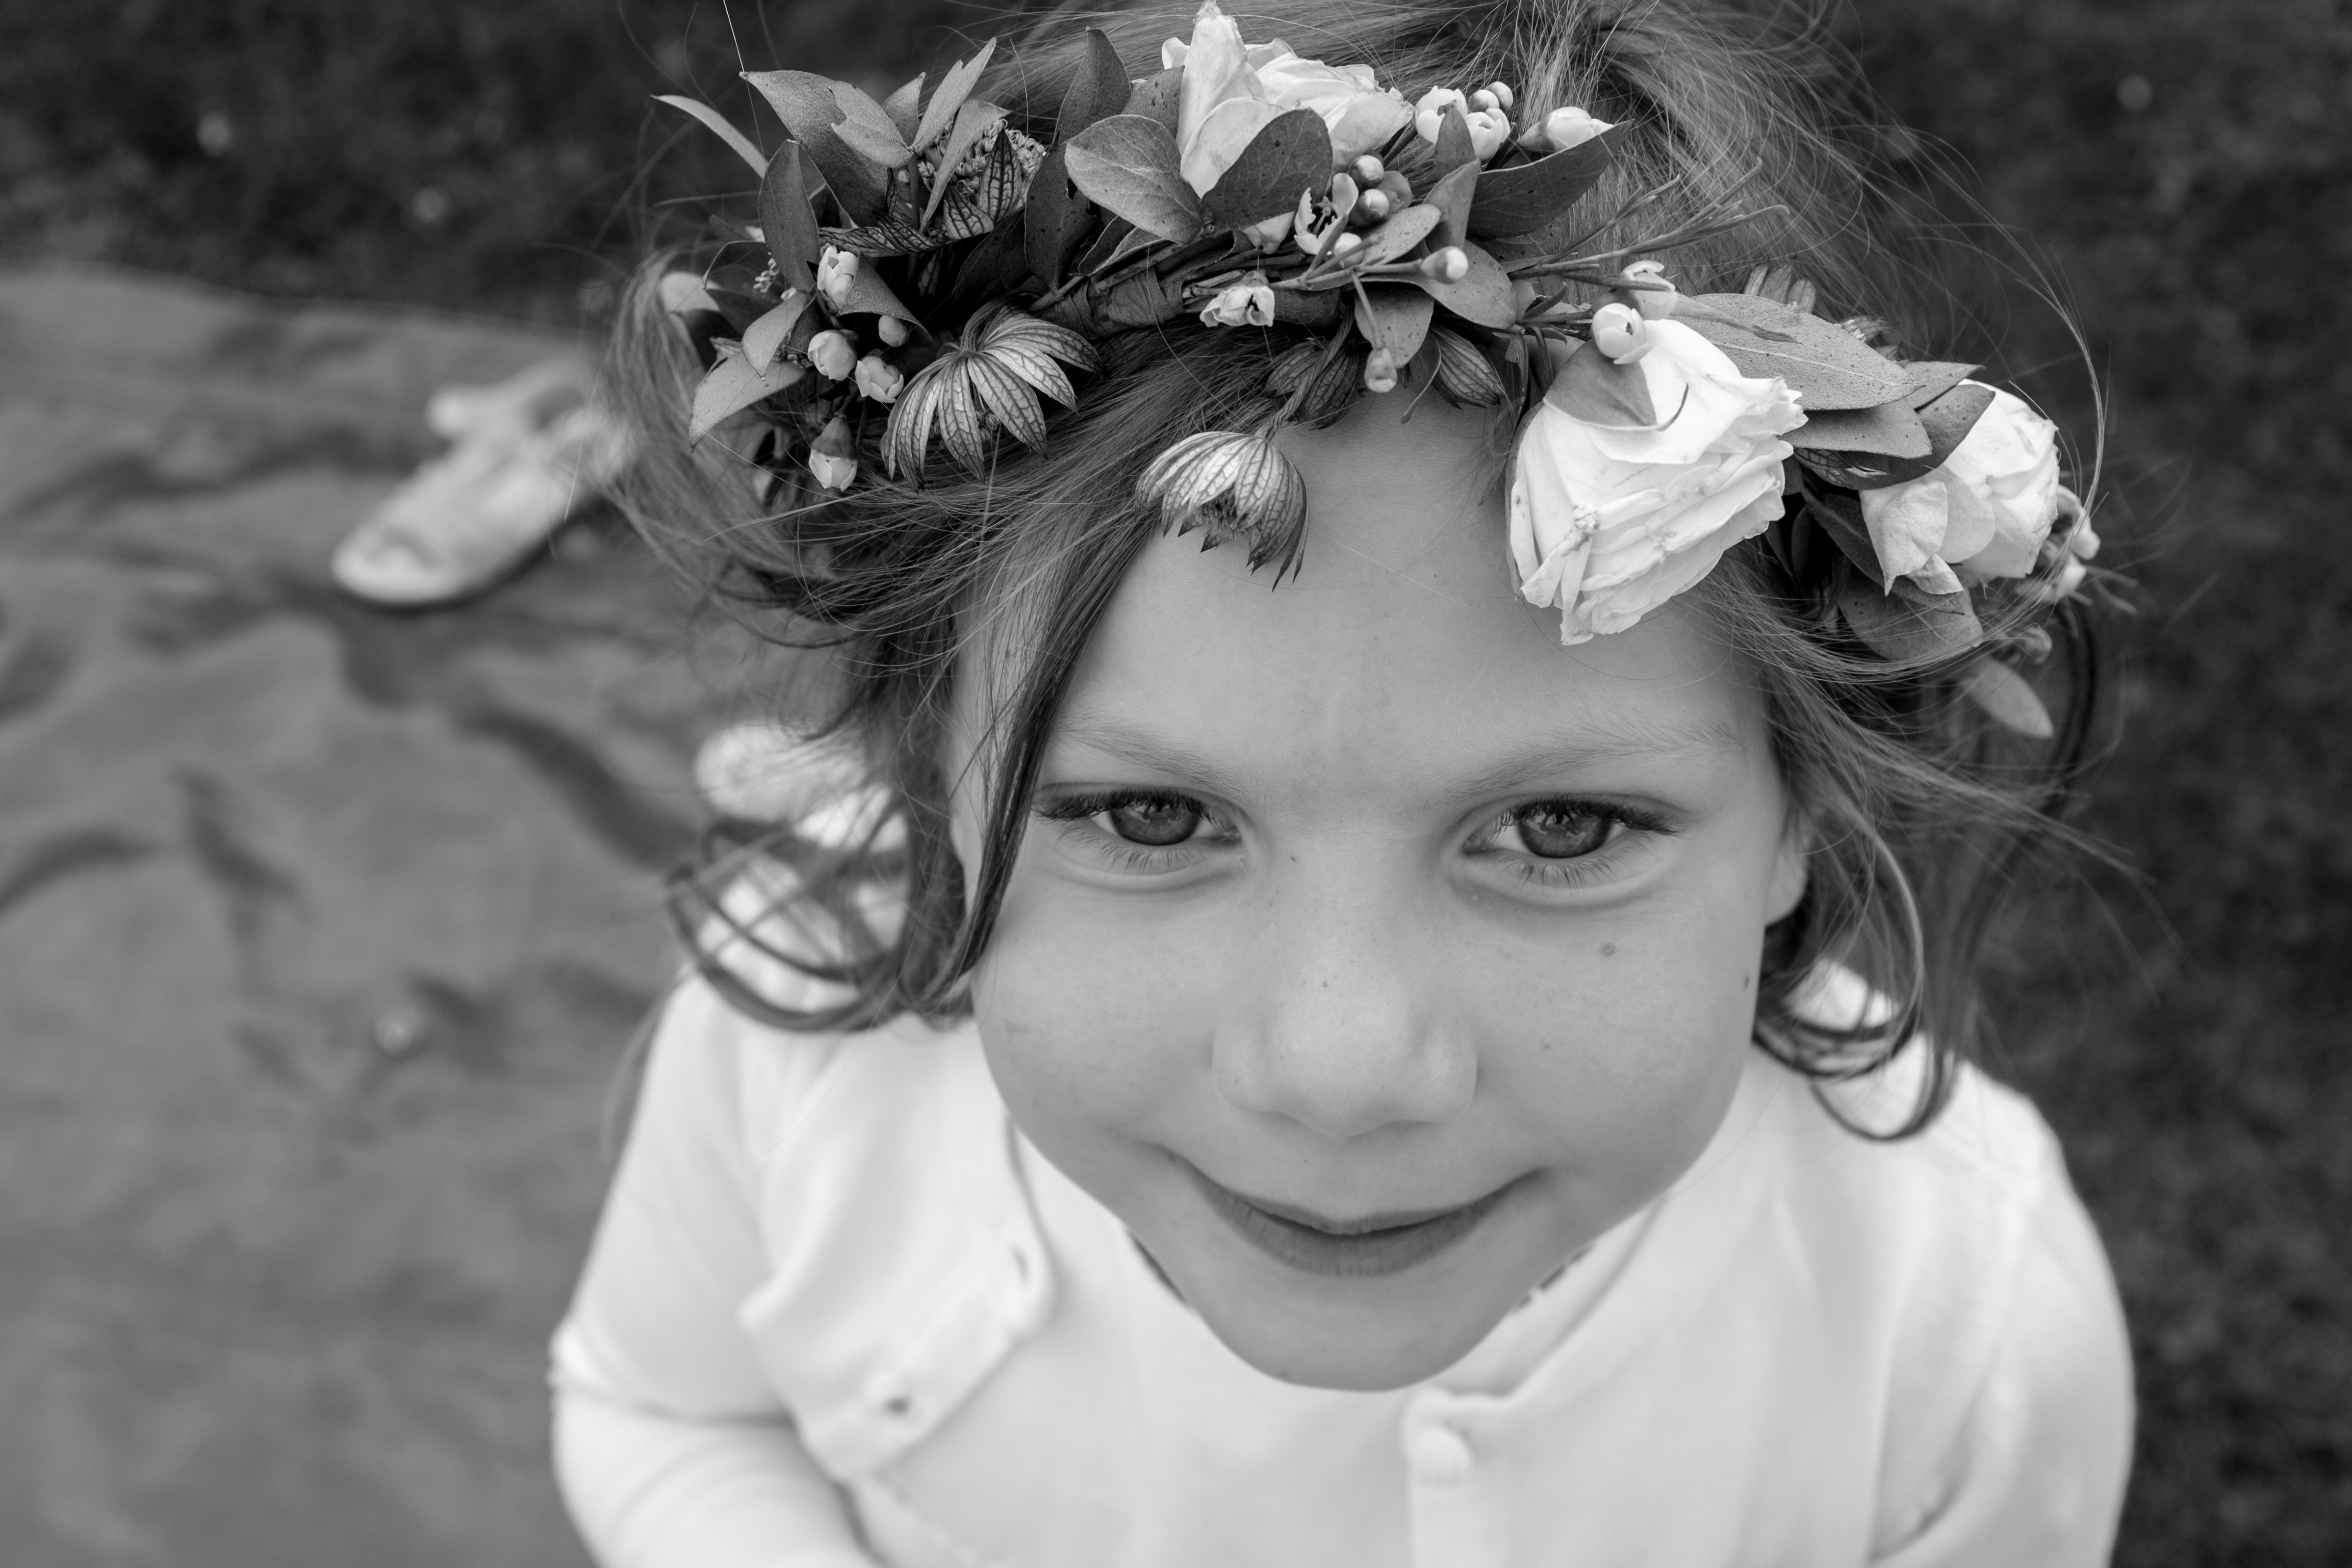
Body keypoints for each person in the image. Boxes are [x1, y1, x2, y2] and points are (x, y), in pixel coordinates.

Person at [550, 1, 2134, 1563]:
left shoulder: (1952, 1336)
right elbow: (668, 1410)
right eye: (1154, 816)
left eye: (1558, 826)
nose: (1340, 1068)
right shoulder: (793, 1044)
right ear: (928, 767)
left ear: (1806, 796)